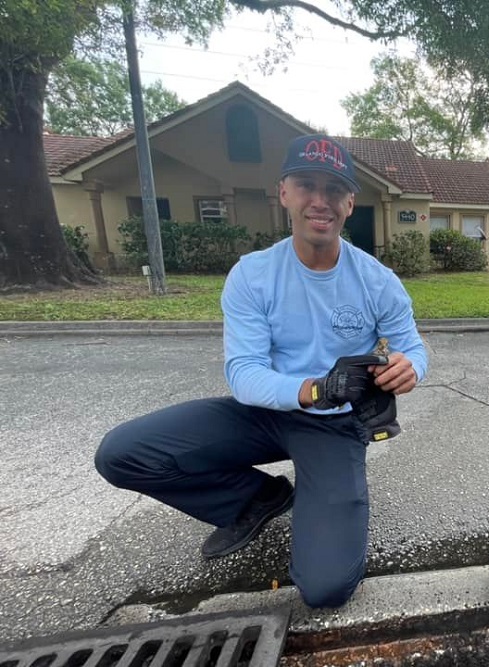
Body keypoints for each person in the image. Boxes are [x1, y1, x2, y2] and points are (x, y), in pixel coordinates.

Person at [95, 134, 427, 608]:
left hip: (334, 428)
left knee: (326, 588)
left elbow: (411, 344)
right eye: (306, 185)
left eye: (334, 189)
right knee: (122, 453)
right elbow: (245, 373)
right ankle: (255, 498)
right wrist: (312, 389)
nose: (320, 200)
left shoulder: (376, 280)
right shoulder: (253, 274)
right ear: (284, 193)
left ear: (350, 202)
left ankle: (318, 502)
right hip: (266, 411)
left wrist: (409, 366)